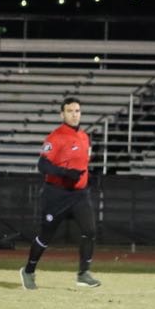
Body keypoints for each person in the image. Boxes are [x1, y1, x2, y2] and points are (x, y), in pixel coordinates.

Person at [20, 97, 101, 289]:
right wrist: (65, 173)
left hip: (79, 195)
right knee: (46, 236)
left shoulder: (83, 136)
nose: (75, 114)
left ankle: (83, 273)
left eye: (77, 111)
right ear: (62, 114)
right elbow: (42, 164)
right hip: (56, 194)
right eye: (70, 111)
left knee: (89, 231)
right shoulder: (55, 137)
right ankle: (29, 271)